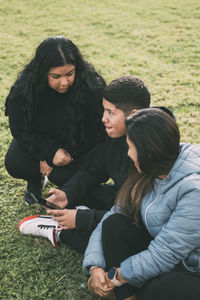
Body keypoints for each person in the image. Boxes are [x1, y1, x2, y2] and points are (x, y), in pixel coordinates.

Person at [18, 76, 151, 253]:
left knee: (114, 244)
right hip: (121, 197)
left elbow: (139, 216)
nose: (104, 118)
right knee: (73, 191)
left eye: (110, 112)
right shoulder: (117, 135)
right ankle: (75, 214)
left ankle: (60, 232)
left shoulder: (154, 148)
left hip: (141, 219)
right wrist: (66, 194)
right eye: (104, 111)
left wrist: (82, 219)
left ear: (133, 114)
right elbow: (93, 170)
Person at [83, 108, 200, 300]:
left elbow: (164, 253)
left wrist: (115, 277)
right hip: (170, 256)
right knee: (115, 225)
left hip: (192, 269)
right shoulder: (152, 169)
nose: (128, 154)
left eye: (130, 147)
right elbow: (113, 213)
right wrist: (95, 266)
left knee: (161, 289)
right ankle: (127, 296)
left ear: (148, 151)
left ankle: (128, 292)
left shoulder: (194, 191)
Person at [4, 36, 106, 205]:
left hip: (78, 146)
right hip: (44, 141)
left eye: (70, 74)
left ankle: (85, 191)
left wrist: (62, 155)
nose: (64, 82)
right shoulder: (24, 89)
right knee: (16, 162)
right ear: (42, 72)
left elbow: (96, 131)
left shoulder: (91, 86)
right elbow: (20, 128)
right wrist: (48, 152)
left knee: (61, 175)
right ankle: (35, 179)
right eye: (56, 76)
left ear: (77, 68)